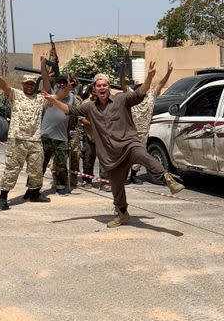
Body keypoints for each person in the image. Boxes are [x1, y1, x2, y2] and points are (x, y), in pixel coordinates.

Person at [44, 61, 185, 228]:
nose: (102, 88)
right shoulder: (89, 107)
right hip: (110, 156)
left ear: (109, 87)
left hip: (129, 145)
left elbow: (140, 93)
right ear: (94, 89)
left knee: (143, 155)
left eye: (105, 85)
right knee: (117, 188)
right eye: (99, 85)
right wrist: (53, 101)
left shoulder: (121, 99)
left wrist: (149, 77)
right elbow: (70, 110)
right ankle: (122, 213)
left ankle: (167, 179)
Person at [0, 63, 62, 210]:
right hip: (17, 139)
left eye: (32, 84)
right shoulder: (16, 95)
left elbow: (49, 89)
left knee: (37, 170)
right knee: (12, 169)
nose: (29, 86)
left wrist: (43, 67)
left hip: (35, 140)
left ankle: (34, 193)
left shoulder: (40, 99)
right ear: (23, 84)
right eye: (27, 84)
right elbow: (3, 85)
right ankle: (3, 196)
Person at [125, 62, 173, 184]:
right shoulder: (131, 94)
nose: (143, 87)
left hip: (143, 132)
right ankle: (123, 176)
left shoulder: (151, 95)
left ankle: (134, 175)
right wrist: (122, 70)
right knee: (126, 153)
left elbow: (161, 84)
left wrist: (168, 73)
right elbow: (122, 84)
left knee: (139, 154)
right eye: (140, 86)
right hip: (129, 130)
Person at [40, 71, 76, 196]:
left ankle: (61, 186)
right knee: (40, 164)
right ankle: (34, 187)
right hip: (46, 136)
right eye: (59, 82)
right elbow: (45, 79)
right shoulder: (50, 94)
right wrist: (43, 66)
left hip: (61, 137)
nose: (61, 84)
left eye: (63, 82)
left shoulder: (71, 97)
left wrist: (70, 133)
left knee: (61, 164)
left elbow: (71, 114)